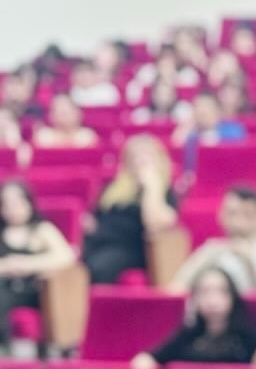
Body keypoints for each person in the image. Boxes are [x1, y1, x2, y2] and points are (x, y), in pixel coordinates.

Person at [82, 136, 180, 284]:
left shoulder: (165, 193)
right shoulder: (111, 188)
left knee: (100, 267)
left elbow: (154, 223)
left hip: (130, 248)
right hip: (99, 243)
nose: (138, 162)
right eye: (134, 157)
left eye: (145, 157)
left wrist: (151, 185)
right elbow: (96, 217)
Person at [172, 186, 256, 296]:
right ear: (221, 215)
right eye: (232, 213)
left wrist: (251, 263)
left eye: (247, 215)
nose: (239, 221)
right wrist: (202, 260)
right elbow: (175, 291)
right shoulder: (211, 249)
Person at [132, 267, 256, 369]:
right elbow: (145, 360)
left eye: (221, 291)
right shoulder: (187, 336)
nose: (213, 300)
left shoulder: (246, 338)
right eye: (205, 292)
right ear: (195, 299)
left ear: (233, 296)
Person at [0, 180, 75, 351]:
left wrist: (24, 264)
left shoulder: (41, 230)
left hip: (33, 290)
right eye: (6, 204)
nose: (12, 209)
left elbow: (67, 256)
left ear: (28, 203)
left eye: (17, 202)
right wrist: (6, 265)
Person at [32, 93, 100, 148]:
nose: (63, 114)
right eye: (59, 111)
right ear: (50, 115)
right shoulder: (43, 137)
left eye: (66, 111)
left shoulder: (88, 136)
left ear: (79, 113)